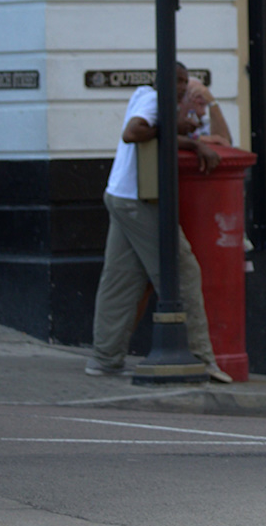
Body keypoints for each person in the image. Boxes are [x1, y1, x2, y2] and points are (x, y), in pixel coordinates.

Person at [87, 63, 230, 382]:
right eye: (176, 81)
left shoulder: (147, 98)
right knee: (183, 270)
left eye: (184, 81)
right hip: (139, 201)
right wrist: (192, 143)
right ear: (160, 80)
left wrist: (196, 114)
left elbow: (205, 134)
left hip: (120, 195)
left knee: (121, 279)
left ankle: (105, 358)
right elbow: (133, 132)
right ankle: (201, 358)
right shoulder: (153, 101)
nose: (181, 86)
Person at [177, 74, 233, 146]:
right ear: (183, 99)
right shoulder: (179, 120)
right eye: (198, 96)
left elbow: (225, 143)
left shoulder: (206, 121)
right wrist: (203, 139)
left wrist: (212, 102)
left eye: (205, 95)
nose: (203, 100)